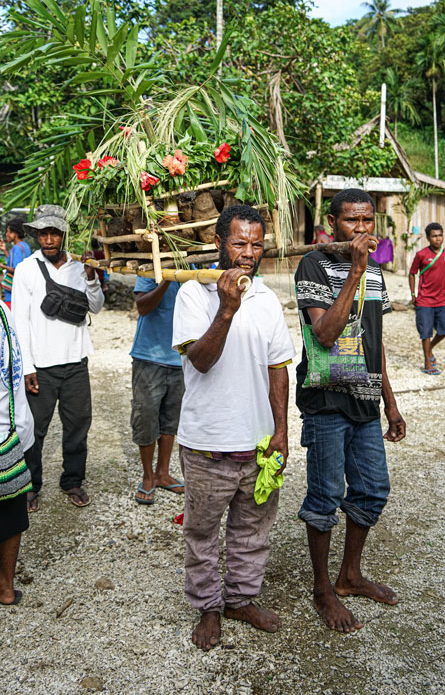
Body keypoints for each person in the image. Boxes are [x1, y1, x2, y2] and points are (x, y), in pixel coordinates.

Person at [172, 204, 295, 651]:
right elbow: (200, 361)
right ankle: (208, 606)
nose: (248, 253)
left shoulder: (265, 297)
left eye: (256, 244)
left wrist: (280, 431)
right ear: (220, 243)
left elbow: (278, 367)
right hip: (207, 442)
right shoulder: (193, 293)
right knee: (202, 533)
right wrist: (226, 308)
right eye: (239, 243)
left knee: (252, 530)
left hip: (259, 443)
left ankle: (240, 600)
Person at [295, 188, 406, 634]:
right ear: (332, 223)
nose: (361, 229)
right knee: (324, 498)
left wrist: (391, 403)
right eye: (351, 221)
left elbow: (373, 341)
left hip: (364, 398)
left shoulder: (376, 271)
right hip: (325, 400)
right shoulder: (314, 264)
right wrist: (354, 271)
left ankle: (350, 576)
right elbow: (324, 333)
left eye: (367, 221)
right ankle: (323, 588)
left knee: (373, 490)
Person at [12, 205, 104, 513]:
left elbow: (96, 307)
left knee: (77, 426)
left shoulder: (79, 266)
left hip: (76, 362)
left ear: (63, 235)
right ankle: (30, 485)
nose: (49, 240)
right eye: (44, 233)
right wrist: (26, 367)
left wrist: (91, 278)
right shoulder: (26, 269)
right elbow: (20, 322)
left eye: (54, 233)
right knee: (35, 430)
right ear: (36, 234)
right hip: (41, 366)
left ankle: (73, 481)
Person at [130, 274, 185, 505]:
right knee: (146, 417)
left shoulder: (193, 268)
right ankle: (148, 476)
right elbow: (142, 307)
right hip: (149, 357)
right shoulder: (149, 270)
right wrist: (166, 280)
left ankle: (162, 473)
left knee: (170, 420)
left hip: (180, 358)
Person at [0, 300, 34, 605]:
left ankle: (6, 587)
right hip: (7, 432)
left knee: (13, 513)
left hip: (12, 433)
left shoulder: (3, 309)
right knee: (11, 513)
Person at [409, 222, 445, 374]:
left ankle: (430, 350)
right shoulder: (421, 255)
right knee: (425, 332)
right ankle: (428, 363)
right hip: (424, 301)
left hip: (443, 300)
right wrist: (413, 294)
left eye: (440, 235)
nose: (438, 239)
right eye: (434, 236)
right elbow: (412, 273)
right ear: (428, 238)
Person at [0, 219, 31, 309]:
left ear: (15, 234)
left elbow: (17, 269)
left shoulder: (17, 248)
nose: (6, 234)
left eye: (8, 232)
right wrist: (5, 250)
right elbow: (15, 263)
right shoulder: (25, 246)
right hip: (21, 292)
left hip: (13, 294)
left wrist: (1, 266)